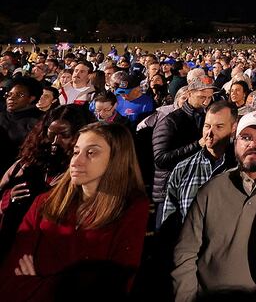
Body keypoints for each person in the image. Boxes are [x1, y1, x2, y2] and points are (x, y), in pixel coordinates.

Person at [0, 122, 149, 300]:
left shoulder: (132, 208)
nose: (76, 161)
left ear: (117, 158)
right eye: (76, 151)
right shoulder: (44, 202)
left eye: (91, 153)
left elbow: (113, 286)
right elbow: (8, 282)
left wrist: (42, 284)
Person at [172, 110, 256, 301]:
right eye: (245, 137)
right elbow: (186, 252)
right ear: (235, 142)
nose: (252, 144)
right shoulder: (213, 189)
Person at [0, 105, 93, 259]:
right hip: (13, 244)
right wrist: (7, 198)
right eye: (51, 134)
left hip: (55, 251)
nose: (55, 141)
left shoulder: (88, 171)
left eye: (64, 135)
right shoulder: (26, 164)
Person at [159, 100, 238, 232]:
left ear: (233, 128)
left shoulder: (241, 168)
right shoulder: (183, 168)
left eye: (219, 127)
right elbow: (169, 222)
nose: (209, 133)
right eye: (207, 126)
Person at [152, 77, 215, 228]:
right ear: (189, 93)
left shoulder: (204, 117)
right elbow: (160, 159)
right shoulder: (170, 121)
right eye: (202, 97)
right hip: (169, 191)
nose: (206, 102)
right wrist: (197, 145)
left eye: (209, 97)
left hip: (195, 186)